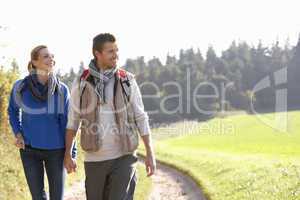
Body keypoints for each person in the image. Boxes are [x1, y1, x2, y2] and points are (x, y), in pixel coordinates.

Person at [64, 33, 156, 200]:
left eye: (116, 50)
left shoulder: (127, 80)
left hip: (124, 156)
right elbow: (73, 120)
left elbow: (140, 117)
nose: (115, 55)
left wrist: (150, 152)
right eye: (110, 51)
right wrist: (68, 153)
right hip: (94, 159)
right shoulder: (82, 82)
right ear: (97, 54)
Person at [7, 45, 76, 200]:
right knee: (37, 197)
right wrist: (18, 133)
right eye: (45, 56)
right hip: (29, 150)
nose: (51, 58)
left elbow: (69, 123)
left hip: (56, 152)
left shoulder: (62, 90)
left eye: (52, 56)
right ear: (34, 62)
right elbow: (12, 110)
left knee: (56, 197)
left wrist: (70, 153)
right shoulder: (20, 87)